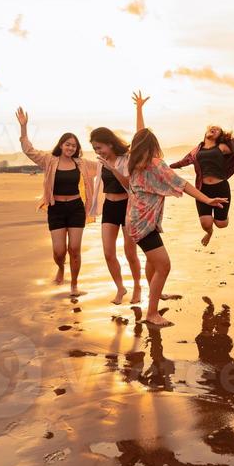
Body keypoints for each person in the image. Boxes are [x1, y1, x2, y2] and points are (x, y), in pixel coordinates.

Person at [102, 128, 228, 328]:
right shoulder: (155, 164)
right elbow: (182, 184)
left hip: (134, 221)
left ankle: (156, 294)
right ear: (153, 146)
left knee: (153, 262)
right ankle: (152, 313)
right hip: (144, 223)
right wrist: (207, 199)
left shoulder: (133, 165)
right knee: (164, 265)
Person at [16, 107, 97, 296]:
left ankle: (74, 284)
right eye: (67, 144)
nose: (70, 148)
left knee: (74, 248)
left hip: (76, 208)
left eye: (74, 146)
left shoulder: (82, 163)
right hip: (56, 209)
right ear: (61, 145)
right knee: (59, 251)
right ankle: (61, 268)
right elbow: (28, 150)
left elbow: (105, 166)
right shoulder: (48, 160)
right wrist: (24, 127)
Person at [90, 90, 148, 305]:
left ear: (110, 144)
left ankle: (137, 287)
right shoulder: (100, 162)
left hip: (127, 207)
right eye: (95, 149)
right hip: (109, 209)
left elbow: (127, 184)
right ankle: (120, 288)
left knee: (130, 251)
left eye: (99, 147)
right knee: (108, 252)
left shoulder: (127, 158)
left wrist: (139, 109)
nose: (98, 151)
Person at [170, 126, 234, 246]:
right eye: (212, 128)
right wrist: (169, 167)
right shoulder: (196, 150)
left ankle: (223, 217)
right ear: (206, 133)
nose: (214, 130)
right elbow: (184, 161)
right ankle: (209, 233)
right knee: (206, 223)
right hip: (203, 189)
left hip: (221, 188)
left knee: (221, 224)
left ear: (219, 136)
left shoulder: (222, 147)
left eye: (217, 130)